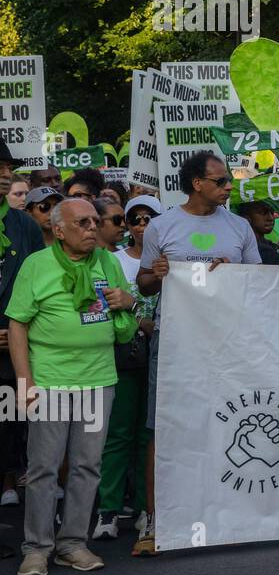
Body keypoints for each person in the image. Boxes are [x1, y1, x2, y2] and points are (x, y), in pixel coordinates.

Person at [133, 151, 261, 557]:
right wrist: (157, 274)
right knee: (162, 427)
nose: (228, 187)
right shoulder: (162, 225)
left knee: (225, 425)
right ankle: (154, 519)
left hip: (226, 345)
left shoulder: (239, 227)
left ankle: (223, 510)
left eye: (228, 181)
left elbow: (259, 285)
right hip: (173, 343)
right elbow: (144, 284)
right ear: (196, 184)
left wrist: (235, 275)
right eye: (221, 181)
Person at [6, 197, 138, 575]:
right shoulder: (37, 265)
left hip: (98, 380)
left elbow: (125, 313)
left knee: (87, 466)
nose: (92, 228)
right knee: (44, 468)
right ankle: (37, 548)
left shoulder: (108, 262)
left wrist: (127, 301)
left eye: (95, 221)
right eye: (82, 223)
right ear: (59, 230)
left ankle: (73, 544)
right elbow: (18, 324)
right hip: (49, 381)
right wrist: (24, 381)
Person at [92, 194, 161, 541]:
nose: (139, 225)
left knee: (149, 433)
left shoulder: (168, 259)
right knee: (119, 432)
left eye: (149, 218)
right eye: (131, 219)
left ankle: (146, 507)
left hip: (163, 354)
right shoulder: (113, 261)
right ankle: (109, 509)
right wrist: (140, 317)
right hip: (127, 355)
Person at [0, 141, 47, 521]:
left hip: (14, 354)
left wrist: (21, 329)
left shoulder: (24, 226)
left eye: (7, 167)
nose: (4, 175)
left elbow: (38, 284)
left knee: (10, 439)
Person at [236, 200, 279, 265]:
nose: (271, 218)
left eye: (271, 212)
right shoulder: (237, 247)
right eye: (263, 213)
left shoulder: (270, 246)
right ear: (246, 218)